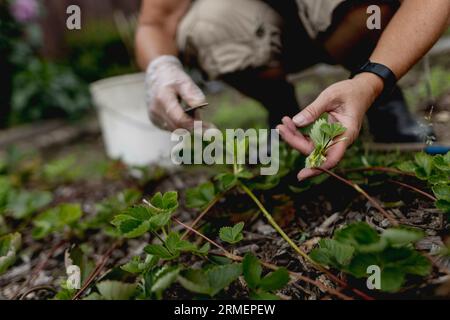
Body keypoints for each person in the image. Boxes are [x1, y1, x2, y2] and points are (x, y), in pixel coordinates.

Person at [135, 0, 450, 180]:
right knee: (209, 25)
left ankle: (380, 100)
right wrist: (160, 69)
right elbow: (156, 23)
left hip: (343, 19)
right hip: (267, 30)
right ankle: (283, 113)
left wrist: (371, 81)